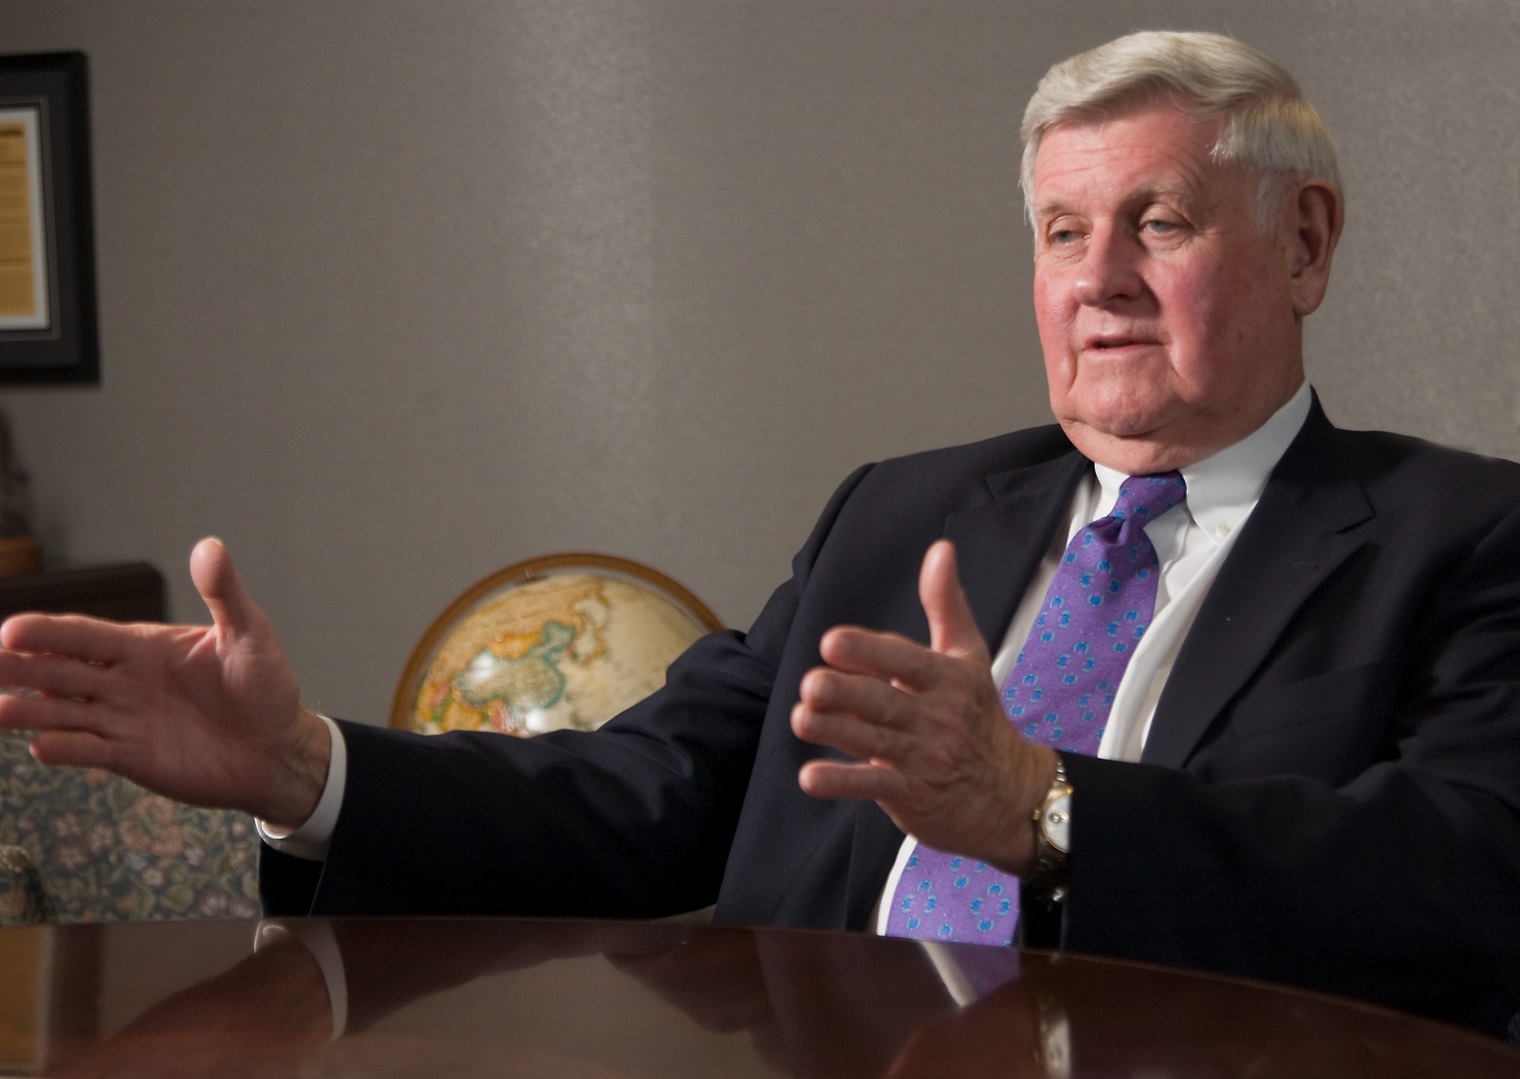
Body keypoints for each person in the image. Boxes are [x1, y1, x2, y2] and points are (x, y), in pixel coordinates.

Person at [1, 31, 1517, 1037]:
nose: (1097, 278)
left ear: (1305, 243)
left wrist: (1047, 814)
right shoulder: (904, 509)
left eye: (1160, 223)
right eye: (1062, 232)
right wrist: (306, 776)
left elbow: (1464, 882)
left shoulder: (1458, 540)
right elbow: (644, 794)